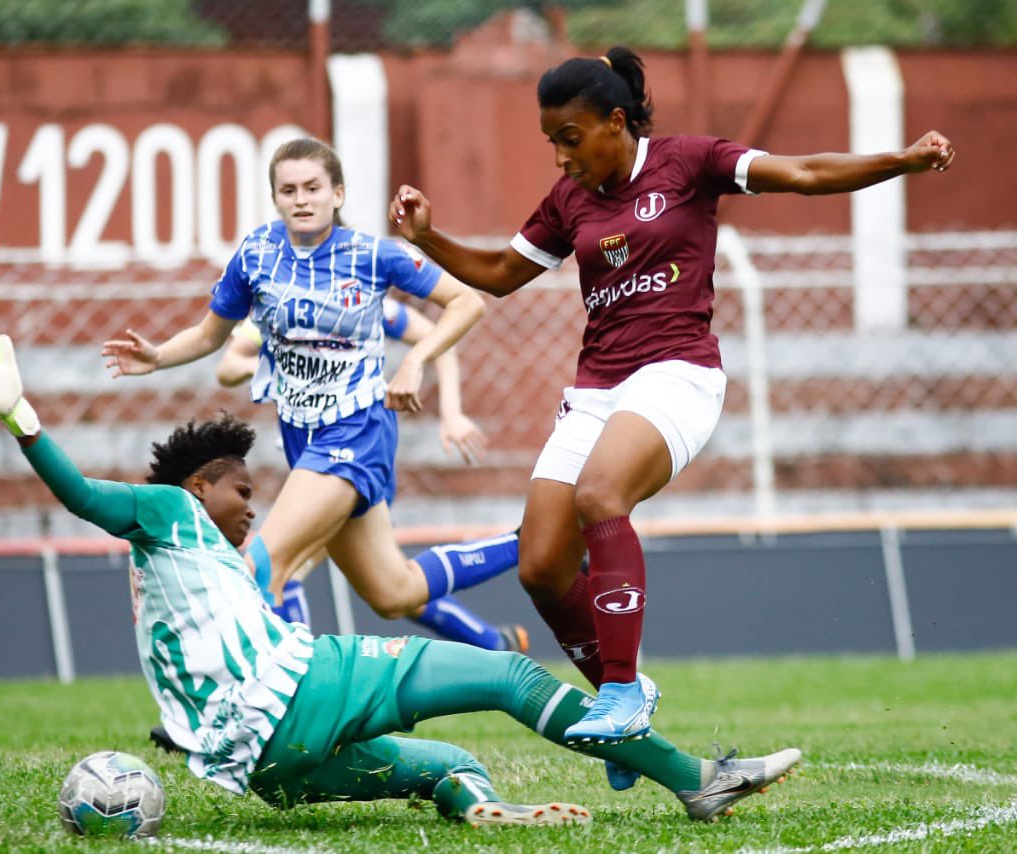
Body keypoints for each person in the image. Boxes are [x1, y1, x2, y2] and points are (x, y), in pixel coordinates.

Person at [0, 331, 802, 824]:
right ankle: (696, 780)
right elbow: (85, 495)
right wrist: (22, 418)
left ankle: (485, 811)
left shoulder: (199, 569)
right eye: (242, 491)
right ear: (198, 486)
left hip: (269, 767)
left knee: (447, 761)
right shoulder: (167, 514)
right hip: (295, 693)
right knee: (508, 676)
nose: (252, 505)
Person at [389, 47, 956, 744]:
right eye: (551, 143)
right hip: (597, 386)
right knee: (540, 565)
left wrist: (902, 160)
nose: (562, 157)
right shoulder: (570, 201)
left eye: (570, 138)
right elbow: (502, 273)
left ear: (615, 122)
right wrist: (427, 238)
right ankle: (623, 707)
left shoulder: (690, 162)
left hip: (678, 374)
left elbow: (804, 172)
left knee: (601, 495)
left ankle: (623, 688)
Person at [101, 138, 524, 639]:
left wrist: (414, 361)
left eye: (312, 187)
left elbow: (467, 303)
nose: (301, 199)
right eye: (288, 190)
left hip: (357, 432)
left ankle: (261, 706)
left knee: (262, 568)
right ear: (276, 199)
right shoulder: (257, 256)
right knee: (396, 594)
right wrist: (158, 357)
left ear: (338, 194)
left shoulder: (372, 256)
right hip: (304, 438)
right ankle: (533, 541)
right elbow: (210, 336)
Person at [216, 305, 528, 654]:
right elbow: (228, 366)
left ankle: (296, 679)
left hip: (353, 461)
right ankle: (503, 613)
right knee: (393, 591)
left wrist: (451, 412)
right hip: (312, 465)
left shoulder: (360, 295)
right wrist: (280, 371)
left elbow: (444, 333)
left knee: (279, 568)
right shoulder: (280, 299)